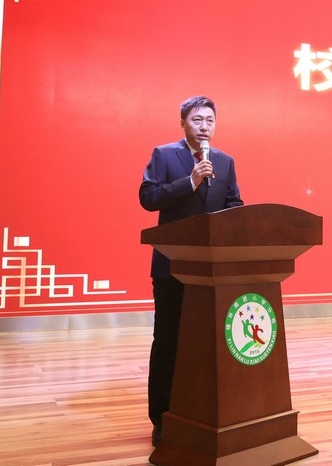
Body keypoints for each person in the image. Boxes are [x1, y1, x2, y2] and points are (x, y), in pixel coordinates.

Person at [138, 95, 243, 447]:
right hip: (172, 268)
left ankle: (199, 410)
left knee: (205, 344)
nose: (204, 127)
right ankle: (162, 417)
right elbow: (148, 197)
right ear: (182, 122)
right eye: (197, 120)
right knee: (168, 342)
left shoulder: (225, 162)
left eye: (210, 120)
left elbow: (234, 206)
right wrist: (190, 181)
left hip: (211, 272)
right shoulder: (165, 155)